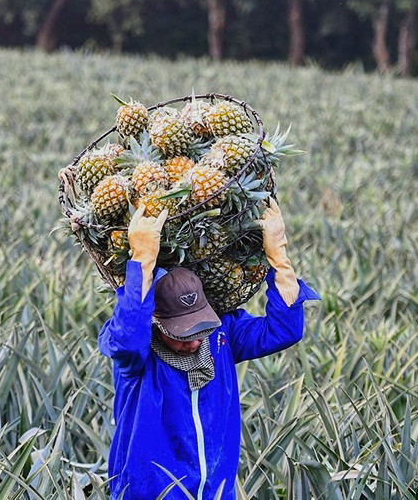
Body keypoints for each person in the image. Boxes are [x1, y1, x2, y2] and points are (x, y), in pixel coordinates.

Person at [98, 200, 319, 499]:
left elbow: (284, 330)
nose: (193, 341)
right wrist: (142, 261)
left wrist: (279, 256)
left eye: (200, 328)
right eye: (180, 333)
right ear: (156, 322)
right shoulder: (136, 360)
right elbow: (127, 335)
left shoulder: (220, 337)